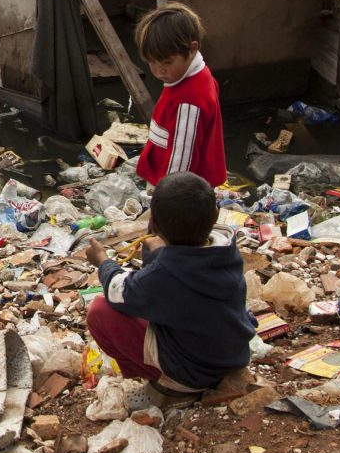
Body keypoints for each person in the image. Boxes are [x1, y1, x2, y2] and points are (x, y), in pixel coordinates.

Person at [83, 172, 254, 404]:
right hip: (233, 355)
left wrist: (102, 261)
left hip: (193, 373)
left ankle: (168, 388)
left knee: (100, 311)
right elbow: (182, 265)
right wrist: (160, 252)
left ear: (153, 224)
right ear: (215, 215)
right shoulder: (225, 247)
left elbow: (117, 289)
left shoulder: (164, 274)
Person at [133, 2, 227, 191]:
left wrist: (168, 197)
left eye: (167, 62)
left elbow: (181, 161)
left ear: (192, 49)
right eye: (151, 62)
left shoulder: (189, 100)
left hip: (180, 191)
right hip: (169, 174)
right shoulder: (190, 76)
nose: (159, 71)